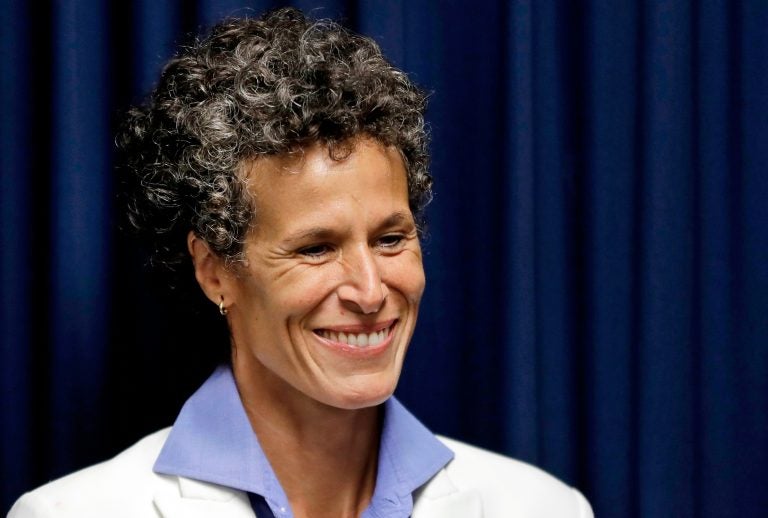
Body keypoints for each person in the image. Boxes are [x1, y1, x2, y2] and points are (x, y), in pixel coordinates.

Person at [8, 8, 592, 518]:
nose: (369, 291)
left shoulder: (544, 508)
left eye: (391, 239)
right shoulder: (71, 513)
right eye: (316, 248)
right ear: (215, 271)